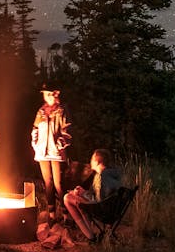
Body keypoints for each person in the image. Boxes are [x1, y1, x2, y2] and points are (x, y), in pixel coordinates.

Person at [30, 85, 72, 221]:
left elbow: (67, 132)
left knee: (59, 184)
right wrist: (35, 143)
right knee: (47, 182)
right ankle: (52, 215)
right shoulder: (41, 112)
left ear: (56, 95)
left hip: (56, 153)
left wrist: (60, 144)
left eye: (50, 94)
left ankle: (66, 215)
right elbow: (35, 128)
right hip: (42, 152)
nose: (47, 97)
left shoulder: (61, 111)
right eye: (45, 94)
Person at [63, 148, 122, 242]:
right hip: (113, 211)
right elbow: (103, 196)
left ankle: (91, 237)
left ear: (97, 161)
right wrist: (83, 193)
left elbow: (98, 201)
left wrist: (82, 194)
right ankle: (91, 236)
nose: (90, 161)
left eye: (92, 159)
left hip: (102, 212)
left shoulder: (101, 177)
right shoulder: (112, 174)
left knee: (67, 198)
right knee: (74, 197)